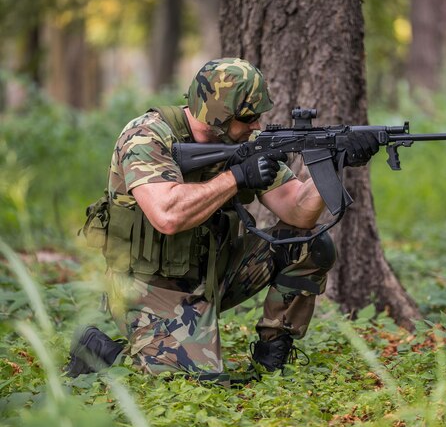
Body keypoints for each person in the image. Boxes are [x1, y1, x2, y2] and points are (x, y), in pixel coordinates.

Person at [66, 57, 379, 385]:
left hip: (213, 274)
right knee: (195, 383)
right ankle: (101, 351)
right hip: (147, 287)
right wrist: (237, 177)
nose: (256, 126)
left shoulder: (241, 143)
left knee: (309, 245)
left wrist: (333, 162)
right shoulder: (147, 136)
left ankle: (272, 356)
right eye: (248, 117)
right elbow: (168, 215)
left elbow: (297, 212)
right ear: (218, 114)